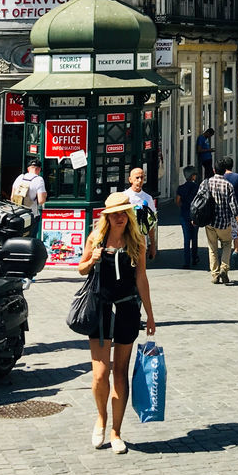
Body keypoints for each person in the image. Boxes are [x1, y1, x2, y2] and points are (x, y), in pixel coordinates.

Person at [78, 192, 156, 454]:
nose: (120, 217)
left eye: (124, 213)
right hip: (101, 309)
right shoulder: (95, 238)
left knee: (120, 373)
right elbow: (80, 268)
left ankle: (116, 432)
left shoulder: (137, 241)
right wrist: (92, 259)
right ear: (107, 217)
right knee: (100, 375)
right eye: (115, 214)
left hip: (127, 309)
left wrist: (150, 315)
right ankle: (101, 418)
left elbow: (141, 278)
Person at [204, 159, 238, 284]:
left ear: (214, 170)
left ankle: (215, 274)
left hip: (209, 221)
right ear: (225, 171)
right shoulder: (228, 185)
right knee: (226, 244)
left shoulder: (206, 183)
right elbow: (234, 207)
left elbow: (199, 201)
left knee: (212, 248)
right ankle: (224, 268)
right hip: (224, 222)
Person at [125, 166, 157, 260]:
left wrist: (152, 245)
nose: (139, 180)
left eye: (142, 178)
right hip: (127, 240)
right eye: (137, 178)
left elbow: (151, 224)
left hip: (141, 241)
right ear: (130, 179)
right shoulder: (125, 196)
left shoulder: (148, 198)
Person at [10, 158, 47, 237]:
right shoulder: (39, 179)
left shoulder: (20, 177)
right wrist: (45, 195)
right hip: (31, 216)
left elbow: (12, 197)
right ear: (39, 169)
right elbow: (41, 201)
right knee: (29, 240)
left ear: (28, 168)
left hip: (18, 214)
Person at [174, 167, 200, 268]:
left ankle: (186, 261)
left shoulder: (181, 188)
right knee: (194, 237)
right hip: (195, 215)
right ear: (193, 176)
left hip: (184, 214)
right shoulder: (197, 187)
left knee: (186, 238)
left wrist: (183, 206)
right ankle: (194, 257)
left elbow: (177, 201)